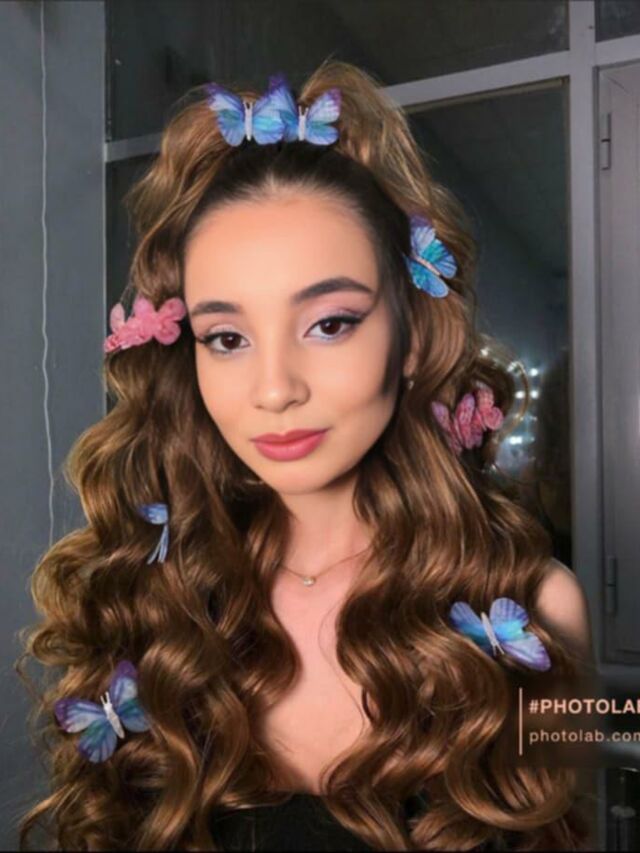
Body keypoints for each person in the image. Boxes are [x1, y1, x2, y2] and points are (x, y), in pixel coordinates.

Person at [16, 59, 595, 851]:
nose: (274, 389)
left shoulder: (539, 607)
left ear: (412, 337)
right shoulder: (149, 601)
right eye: (227, 337)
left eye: (329, 324)